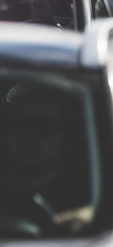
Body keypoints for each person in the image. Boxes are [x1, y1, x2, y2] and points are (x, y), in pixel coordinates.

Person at [0, 83, 90, 235]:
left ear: (67, 140)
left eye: (43, 126)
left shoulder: (86, 203)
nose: (29, 134)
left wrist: (87, 218)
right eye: (20, 124)